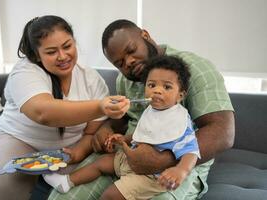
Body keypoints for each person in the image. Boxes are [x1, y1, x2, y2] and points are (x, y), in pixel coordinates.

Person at [48, 19, 235, 200]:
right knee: (64, 196)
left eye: (131, 50)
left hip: (177, 163)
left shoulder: (194, 69)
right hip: (126, 156)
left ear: (145, 35)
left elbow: (222, 132)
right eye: (119, 63)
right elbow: (122, 121)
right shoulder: (126, 80)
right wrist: (106, 130)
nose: (128, 62)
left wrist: (162, 161)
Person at [0, 15, 130, 200]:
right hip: (21, 139)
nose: (63, 56)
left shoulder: (91, 79)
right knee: (9, 184)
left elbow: (91, 132)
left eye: (67, 46)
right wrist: (101, 106)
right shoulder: (25, 71)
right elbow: (43, 112)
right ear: (36, 55)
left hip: (67, 148)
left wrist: (77, 153)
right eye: (51, 52)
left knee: (74, 189)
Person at [44, 55, 201, 200]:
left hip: (151, 176)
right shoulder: (152, 110)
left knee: (110, 196)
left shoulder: (179, 120)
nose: (157, 90)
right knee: (101, 163)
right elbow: (145, 134)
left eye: (167, 87)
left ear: (181, 95)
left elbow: (191, 151)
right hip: (129, 160)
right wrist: (123, 139)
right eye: (151, 85)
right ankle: (67, 182)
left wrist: (181, 170)